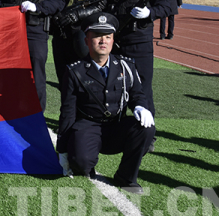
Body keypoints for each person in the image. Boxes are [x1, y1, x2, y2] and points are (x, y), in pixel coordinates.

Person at [57, 12, 155, 194]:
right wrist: (62, 150)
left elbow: (137, 94)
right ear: (87, 40)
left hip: (117, 126)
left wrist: (141, 106)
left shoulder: (126, 65)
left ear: (113, 40)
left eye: (108, 37)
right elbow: (68, 112)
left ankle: (126, 177)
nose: (103, 41)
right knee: (81, 163)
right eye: (97, 36)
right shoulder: (75, 71)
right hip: (88, 126)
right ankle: (84, 160)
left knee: (145, 128)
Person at [102, 0, 170, 118]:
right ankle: (116, 127)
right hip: (114, 43)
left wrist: (150, 13)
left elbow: (167, 6)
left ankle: (146, 130)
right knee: (114, 87)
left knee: (143, 86)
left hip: (139, 42)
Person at [51, 0, 107, 84]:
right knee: (64, 81)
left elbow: (100, 5)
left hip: (82, 37)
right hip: (61, 37)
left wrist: (77, 15)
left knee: (85, 81)